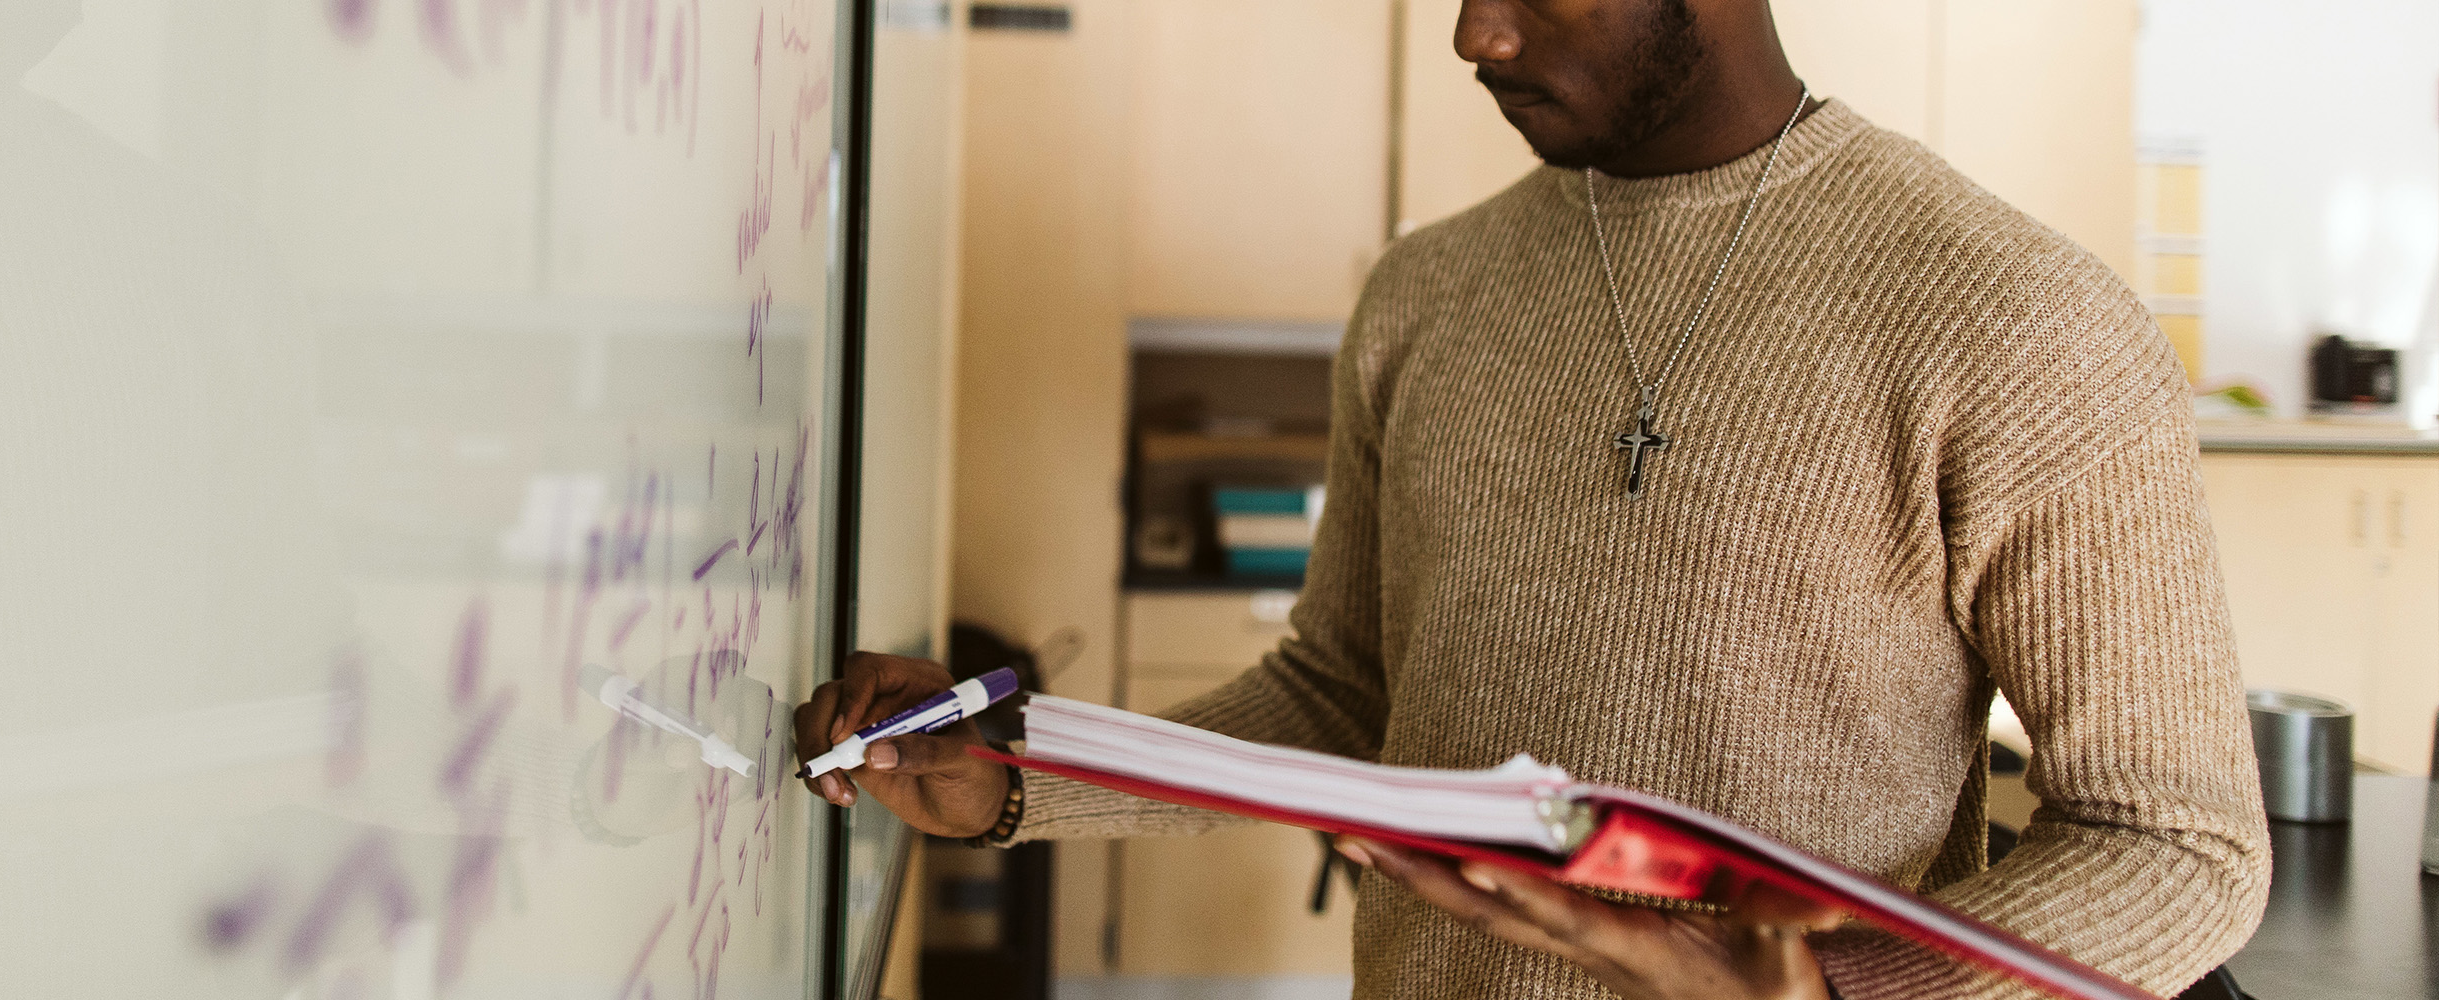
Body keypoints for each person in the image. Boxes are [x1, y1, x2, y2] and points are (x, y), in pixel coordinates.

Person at [796, 0, 2270, 997]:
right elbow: (1344, 690)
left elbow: (2181, 848)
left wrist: (1842, 986)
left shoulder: (2019, 320)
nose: (1472, 31)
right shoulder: (1426, 294)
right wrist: (1019, 773)